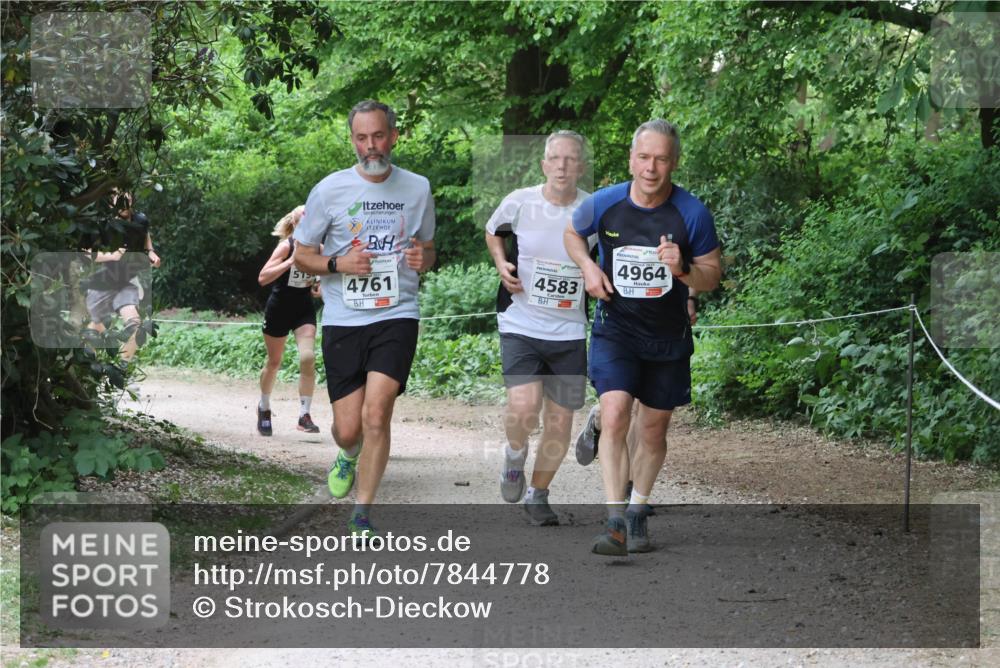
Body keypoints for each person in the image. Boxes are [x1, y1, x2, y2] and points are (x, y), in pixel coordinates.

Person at [564, 119, 721, 556]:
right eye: (644, 157)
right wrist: (589, 268)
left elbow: (712, 276)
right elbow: (573, 234)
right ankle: (614, 520)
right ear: (631, 159)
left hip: (667, 335)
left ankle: (637, 510)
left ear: (674, 163)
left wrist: (684, 269)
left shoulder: (692, 213)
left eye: (662, 159)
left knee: (652, 429)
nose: (651, 168)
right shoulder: (606, 203)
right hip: (616, 328)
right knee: (615, 414)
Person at [293, 100, 436, 537]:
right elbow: (303, 255)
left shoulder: (418, 188)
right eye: (361, 138)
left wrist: (421, 257)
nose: (370, 146)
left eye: (378, 136)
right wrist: (339, 266)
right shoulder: (328, 190)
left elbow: (428, 249)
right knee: (348, 428)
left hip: (397, 315)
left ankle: (362, 512)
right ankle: (347, 454)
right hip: (343, 319)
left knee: (378, 416)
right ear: (352, 140)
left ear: (394, 135)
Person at [484, 130, 593, 526]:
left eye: (571, 159)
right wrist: (501, 264)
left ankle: (538, 494)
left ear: (581, 166)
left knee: (561, 421)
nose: (562, 166)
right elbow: (493, 231)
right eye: (555, 158)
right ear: (544, 164)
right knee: (525, 407)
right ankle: (515, 456)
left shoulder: (592, 211)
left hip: (569, 331)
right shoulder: (520, 201)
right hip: (521, 321)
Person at [256, 205, 322, 436]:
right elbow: (263, 277)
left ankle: (304, 415)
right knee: (274, 362)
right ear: (294, 224)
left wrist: (319, 284)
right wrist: (291, 261)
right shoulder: (286, 246)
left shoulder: (319, 249)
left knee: (307, 357)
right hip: (279, 308)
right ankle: (264, 407)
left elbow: (323, 274)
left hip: (303, 309)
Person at [85, 190, 160, 361]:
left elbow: (146, 239)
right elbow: (86, 253)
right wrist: (112, 255)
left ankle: (121, 368)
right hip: (103, 281)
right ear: (111, 203)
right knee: (93, 329)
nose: (125, 205)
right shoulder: (103, 223)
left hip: (126, 282)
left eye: (128, 200)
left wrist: (151, 254)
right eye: (120, 201)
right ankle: (89, 370)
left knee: (136, 326)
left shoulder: (140, 219)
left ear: (132, 200)